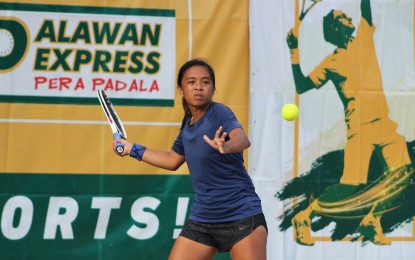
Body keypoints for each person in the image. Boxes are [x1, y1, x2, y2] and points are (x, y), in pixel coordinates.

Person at [113, 58, 268, 259]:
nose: (199, 87)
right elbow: (172, 160)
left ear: (213, 89)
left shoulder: (219, 113)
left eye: (205, 82)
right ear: (181, 90)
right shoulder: (188, 124)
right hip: (203, 219)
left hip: (242, 216)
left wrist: (225, 146)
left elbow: (243, 139)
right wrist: (131, 149)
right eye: (191, 82)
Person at [286, 0, 411, 245]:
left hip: (384, 123)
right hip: (360, 129)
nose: (350, 20)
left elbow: (366, 8)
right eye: (344, 18)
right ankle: (304, 217)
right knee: (349, 186)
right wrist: (294, 51)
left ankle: (371, 221)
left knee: (403, 173)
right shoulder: (331, 63)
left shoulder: (364, 36)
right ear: (335, 29)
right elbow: (302, 85)